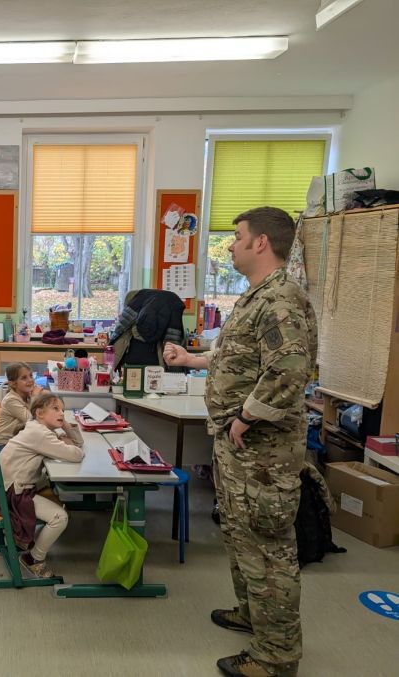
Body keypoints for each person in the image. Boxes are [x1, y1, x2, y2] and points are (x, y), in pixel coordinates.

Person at [164, 206, 316, 677]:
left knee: (268, 548)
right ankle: (252, 614)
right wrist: (192, 361)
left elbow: (289, 371)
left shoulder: (281, 298)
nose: (230, 244)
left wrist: (245, 418)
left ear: (261, 243)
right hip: (241, 452)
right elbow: (238, 358)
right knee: (240, 534)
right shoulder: (256, 297)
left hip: (263, 453)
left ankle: (276, 657)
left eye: (237, 236)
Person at [0, 392, 84, 579]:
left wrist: (64, 425)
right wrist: (67, 430)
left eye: (63, 410)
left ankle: (27, 546)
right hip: (10, 494)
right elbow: (77, 454)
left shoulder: (35, 427)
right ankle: (33, 559)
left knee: (51, 485)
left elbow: (76, 444)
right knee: (60, 517)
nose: (61, 413)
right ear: (39, 413)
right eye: (56, 409)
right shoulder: (40, 435)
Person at [0, 362, 43, 453]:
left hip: (16, 441)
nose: (30, 380)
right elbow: (30, 420)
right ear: (13, 384)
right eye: (24, 378)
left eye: (31, 376)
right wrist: (35, 397)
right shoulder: (11, 400)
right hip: (3, 445)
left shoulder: (27, 394)